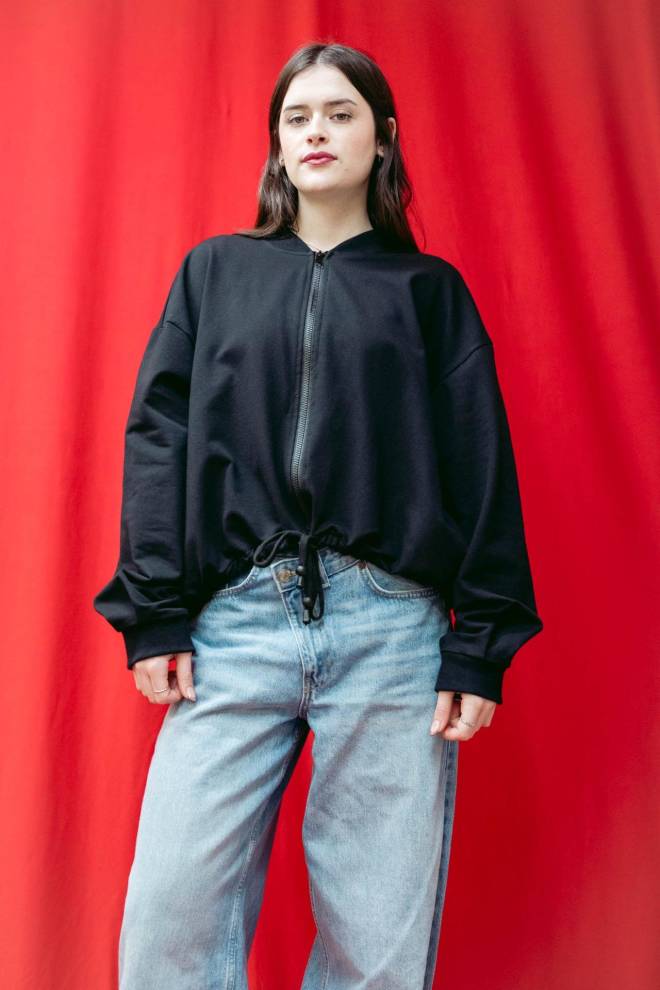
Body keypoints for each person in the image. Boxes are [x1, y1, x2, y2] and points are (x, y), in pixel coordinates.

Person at [93, 41, 543, 990]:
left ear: (383, 138)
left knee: (375, 944)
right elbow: (158, 440)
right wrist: (155, 614)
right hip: (234, 625)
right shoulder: (214, 274)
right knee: (171, 915)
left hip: (392, 632)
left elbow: (480, 464)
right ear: (276, 144)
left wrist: (480, 645)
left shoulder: (430, 293)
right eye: (297, 117)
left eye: (340, 114)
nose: (316, 132)